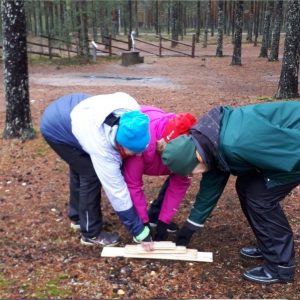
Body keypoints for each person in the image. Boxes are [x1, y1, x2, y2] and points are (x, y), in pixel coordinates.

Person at [161, 101, 300, 284]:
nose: (191, 176)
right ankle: (270, 248)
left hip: (293, 149)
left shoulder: (236, 143)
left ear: (195, 159)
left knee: (259, 198)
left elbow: (291, 150)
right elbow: (212, 185)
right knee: (245, 187)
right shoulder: (209, 141)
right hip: (281, 146)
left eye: (189, 172)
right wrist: (191, 227)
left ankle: (281, 268)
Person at [40, 92, 153, 248]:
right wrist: (139, 231)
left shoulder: (133, 113)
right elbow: (117, 192)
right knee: (89, 173)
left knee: (80, 167)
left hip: (79, 107)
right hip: (56, 125)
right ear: (119, 145)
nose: (139, 155)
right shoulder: (101, 146)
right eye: (134, 151)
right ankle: (90, 233)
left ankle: (78, 217)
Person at [123, 106, 196, 241]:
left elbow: (179, 185)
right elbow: (133, 186)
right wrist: (143, 223)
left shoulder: (187, 151)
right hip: (142, 132)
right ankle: (85, 223)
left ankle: (157, 217)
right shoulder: (139, 145)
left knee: (175, 182)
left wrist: (164, 222)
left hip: (156, 131)